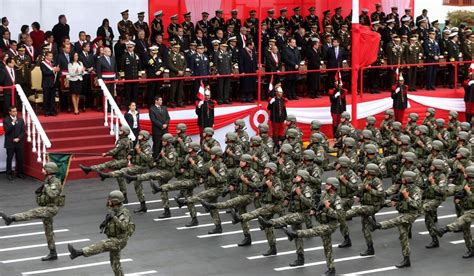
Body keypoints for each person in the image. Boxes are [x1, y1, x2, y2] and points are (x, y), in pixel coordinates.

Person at [0, 162, 65, 261]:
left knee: (32, 213)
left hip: (51, 208)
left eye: (45, 169)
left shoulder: (54, 182)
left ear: (49, 171)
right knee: (49, 231)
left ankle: (11, 218)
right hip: (47, 206)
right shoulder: (49, 180)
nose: (44, 171)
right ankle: (53, 253)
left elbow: (52, 194)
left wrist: (46, 186)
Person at [68, 190, 134, 276]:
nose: (109, 203)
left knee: (102, 244)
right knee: (115, 264)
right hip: (114, 238)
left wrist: (113, 217)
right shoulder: (116, 210)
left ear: (116, 202)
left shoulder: (124, 213)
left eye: (111, 202)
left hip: (119, 240)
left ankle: (79, 252)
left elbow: (124, 226)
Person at [368, 170, 421, 268]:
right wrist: (393, 201)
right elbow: (400, 198)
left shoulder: (416, 190)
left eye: (404, 178)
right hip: (403, 211)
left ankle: (378, 225)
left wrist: (407, 197)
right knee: (403, 237)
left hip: (411, 214)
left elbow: (417, 205)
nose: (402, 179)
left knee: (396, 221)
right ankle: (406, 259)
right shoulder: (404, 187)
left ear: (408, 180)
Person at [3, 106, 25, 180]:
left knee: (20, 158)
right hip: (10, 143)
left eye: (15, 111)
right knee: (9, 158)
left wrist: (19, 138)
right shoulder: (6, 120)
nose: (15, 112)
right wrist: (13, 123)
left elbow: (23, 131)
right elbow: (7, 130)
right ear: (9, 112)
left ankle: (20, 173)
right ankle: (9, 173)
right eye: (13, 111)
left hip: (19, 142)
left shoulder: (21, 120)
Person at [40, 51, 60, 116]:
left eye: (52, 56)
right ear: (46, 56)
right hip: (46, 83)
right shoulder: (42, 63)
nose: (51, 57)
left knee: (52, 98)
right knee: (46, 98)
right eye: (50, 56)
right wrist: (53, 70)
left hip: (53, 83)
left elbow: (54, 72)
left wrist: (57, 70)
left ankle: (52, 111)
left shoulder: (53, 63)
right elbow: (45, 73)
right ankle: (46, 111)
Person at [168, 43, 186, 107]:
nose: (177, 49)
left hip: (181, 75)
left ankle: (180, 102)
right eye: (176, 47)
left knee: (180, 89)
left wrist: (183, 71)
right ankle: (172, 103)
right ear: (172, 48)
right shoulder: (170, 55)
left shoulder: (181, 54)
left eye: (178, 47)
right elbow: (170, 65)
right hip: (174, 74)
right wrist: (178, 71)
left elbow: (185, 64)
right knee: (173, 89)